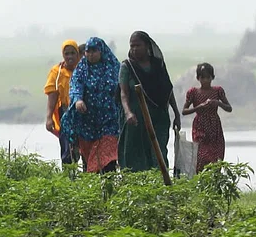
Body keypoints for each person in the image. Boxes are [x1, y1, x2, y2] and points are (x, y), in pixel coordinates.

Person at [119, 30, 182, 176]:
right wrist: (128, 113)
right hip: (136, 118)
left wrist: (176, 114)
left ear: (147, 46)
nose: (134, 49)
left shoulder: (158, 65)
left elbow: (168, 89)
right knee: (135, 156)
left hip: (159, 117)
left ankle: (161, 188)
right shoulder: (127, 67)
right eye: (132, 46)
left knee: (158, 154)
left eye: (138, 45)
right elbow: (124, 94)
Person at [65, 37, 122, 173]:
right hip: (88, 122)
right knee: (90, 159)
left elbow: (123, 88)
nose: (90, 54)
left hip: (109, 121)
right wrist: (78, 100)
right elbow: (75, 86)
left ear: (101, 51)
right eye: (87, 51)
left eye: (94, 51)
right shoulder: (81, 69)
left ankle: (109, 184)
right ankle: (93, 189)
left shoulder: (114, 67)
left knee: (108, 158)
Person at [183, 62, 233, 169]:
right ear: (198, 78)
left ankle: (214, 182)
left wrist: (218, 103)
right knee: (201, 156)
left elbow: (229, 108)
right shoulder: (193, 92)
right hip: (200, 127)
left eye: (208, 77)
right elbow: (184, 111)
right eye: (202, 78)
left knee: (216, 157)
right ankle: (201, 181)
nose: (205, 80)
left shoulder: (218, 91)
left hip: (215, 128)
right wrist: (198, 107)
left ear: (212, 77)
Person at [43, 39, 81, 165]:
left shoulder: (83, 70)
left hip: (83, 112)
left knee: (85, 149)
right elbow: (52, 96)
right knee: (67, 149)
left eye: (72, 53)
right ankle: (68, 179)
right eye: (67, 54)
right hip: (65, 114)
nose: (69, 56)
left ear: (78, 54)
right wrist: (49, 118)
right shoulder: (57, 72)